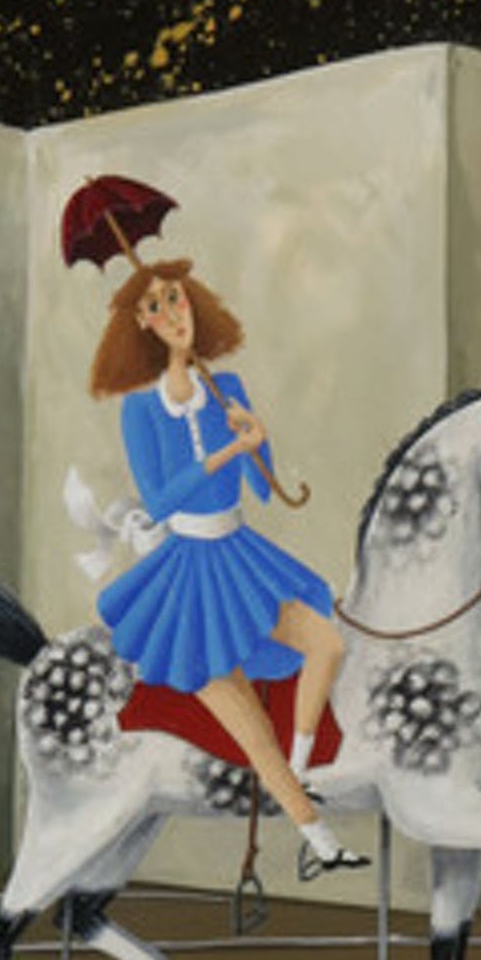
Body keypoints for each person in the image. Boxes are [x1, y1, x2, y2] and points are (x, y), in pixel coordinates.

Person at [90, 258, 363, 877]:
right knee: (251, 730)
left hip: (240, 557)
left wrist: (258, 439)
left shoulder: (226, 387)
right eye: (155, 306)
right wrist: (222, 453)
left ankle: (300, 772)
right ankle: (320, 843)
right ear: (142, 324)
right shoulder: (140, 410)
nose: (172, 313)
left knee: (326, 644)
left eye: (176, 298)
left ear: (194, 303)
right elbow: (159, 501)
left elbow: (260, 488)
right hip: (186, 578)